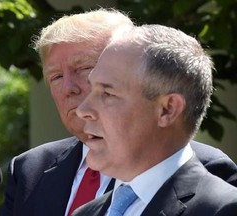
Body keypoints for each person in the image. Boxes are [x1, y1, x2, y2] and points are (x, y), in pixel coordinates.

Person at [0, 9, 237, 216]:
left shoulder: (219, 195)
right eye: (57, 77)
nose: (73, 92)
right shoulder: (75, 202)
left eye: (85, 70)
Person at [73, 24, 237, 216]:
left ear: (167, 110)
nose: (82, 110)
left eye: (107, 93)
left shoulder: (222, 209)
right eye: (92, 89)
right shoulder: (85, 213)